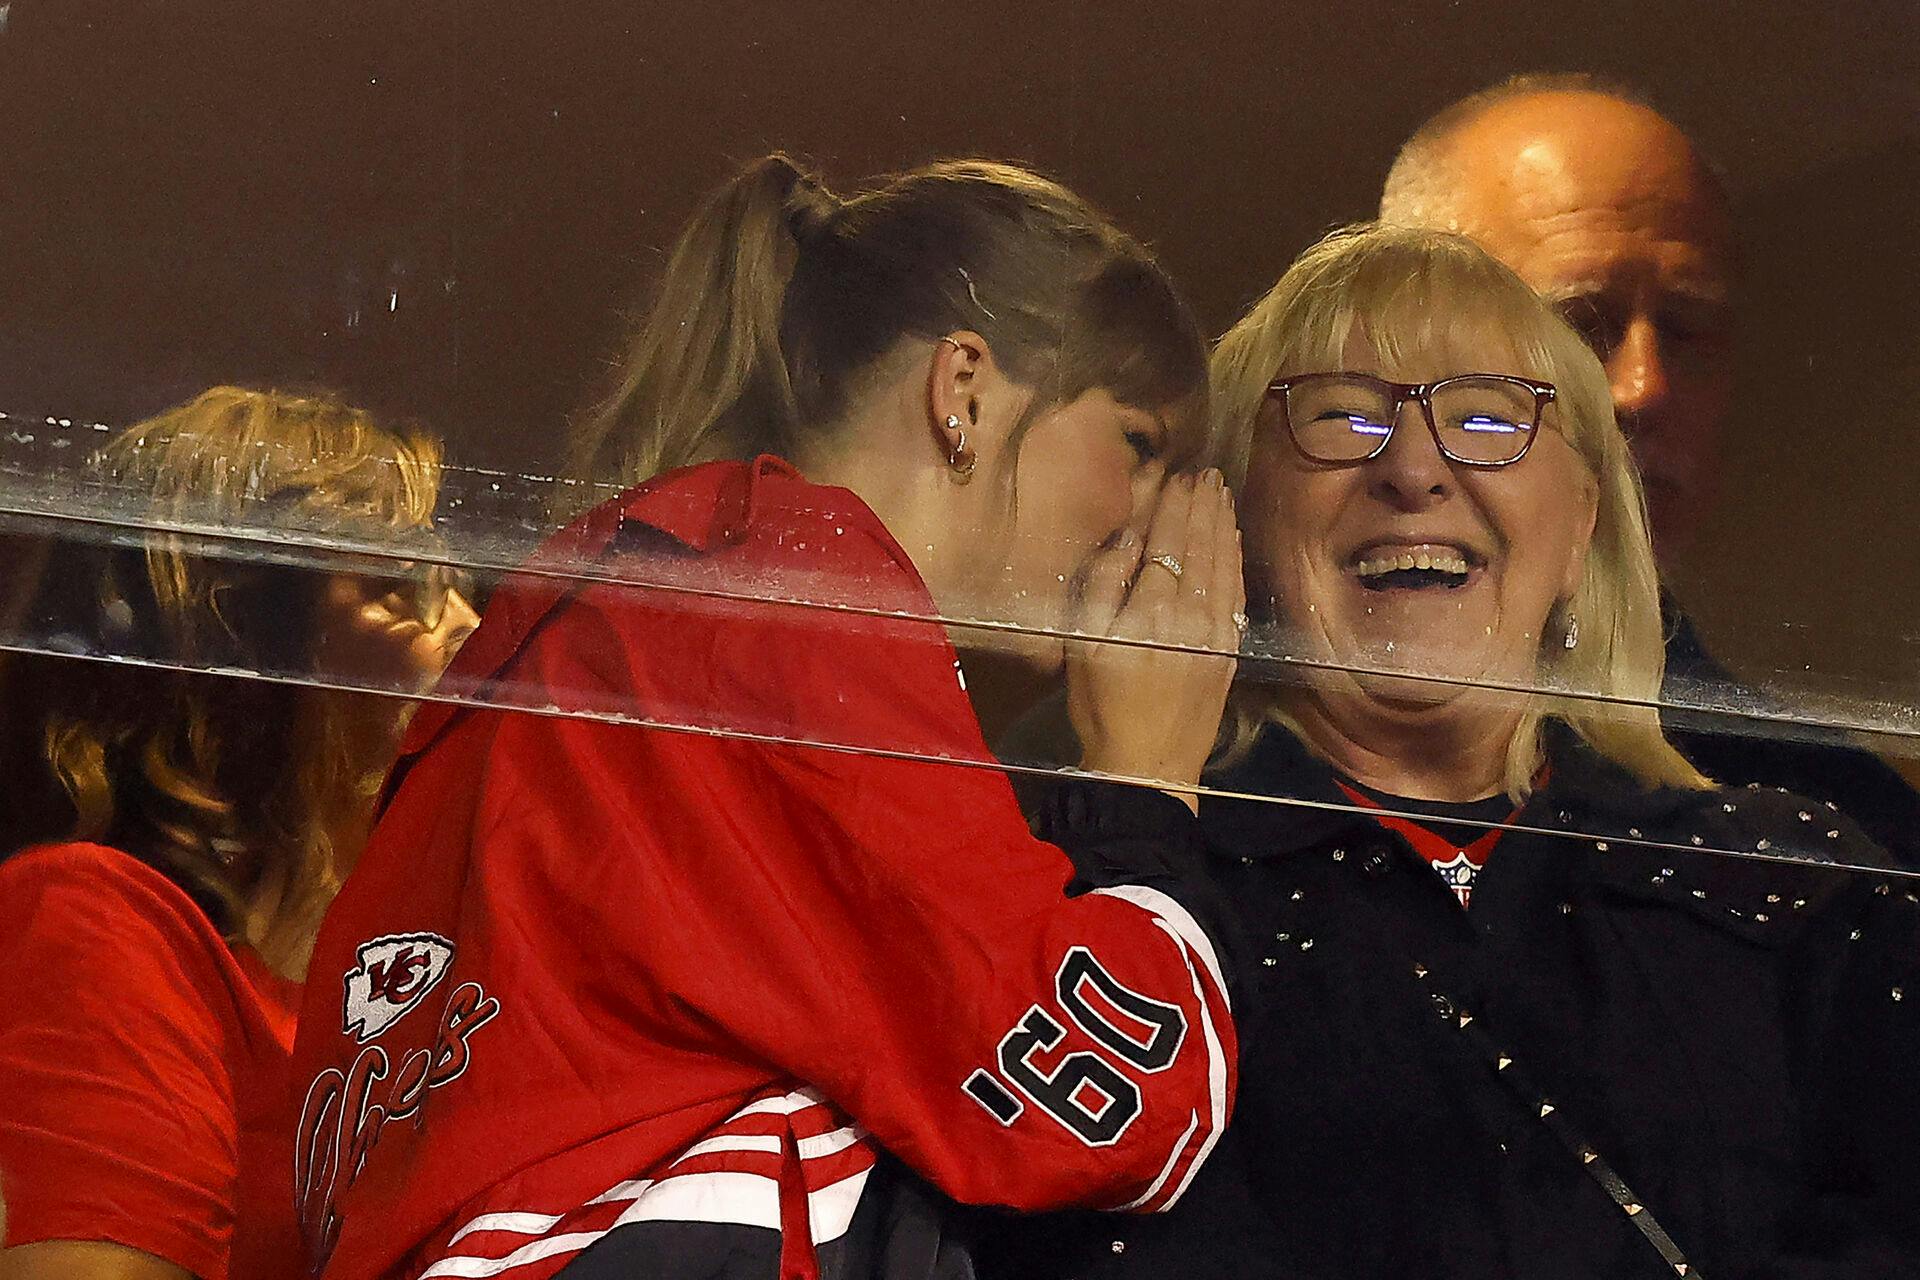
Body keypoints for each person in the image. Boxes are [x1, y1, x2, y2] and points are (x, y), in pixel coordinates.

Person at [282, 154, 1246, 1280]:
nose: (1154, 517)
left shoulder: (601, 603)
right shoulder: (799, 596)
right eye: (1139, 445)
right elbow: (1098, 1104)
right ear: (965, 390)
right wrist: (1147, 778)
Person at [999, 223, 1919, 1279]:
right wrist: (1135, 816)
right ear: (1234, 522)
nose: (1416, 468)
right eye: (1343, 415)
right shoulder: (1094, 882)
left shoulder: (1788, 885)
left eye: (1488, 418)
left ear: (1581, 527)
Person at [1378, 72, 1920, 865]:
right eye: (1578, 325)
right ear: (1388, 352)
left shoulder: (1838, 825)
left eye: (1688, 330)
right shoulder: (1209, 731)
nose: (1643, 387)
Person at [0, 387, 477, 1280]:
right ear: (247, 641)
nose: (472, 633)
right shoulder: (101, 924)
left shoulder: (403, 976)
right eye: (400, 588)